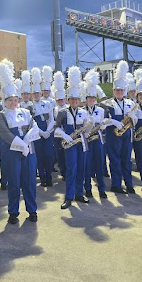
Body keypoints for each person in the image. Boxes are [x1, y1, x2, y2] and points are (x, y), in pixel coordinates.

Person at [0, 60, 39, 223]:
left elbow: (35, 127)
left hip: (29, 151)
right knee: (14, 182)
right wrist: (21, 145)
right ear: (4, 100)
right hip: (11, 153)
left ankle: (32, 210)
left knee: (30, 182)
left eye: (15, 99)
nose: (13, 102)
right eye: (10, 100)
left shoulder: (25, 112)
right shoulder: (0, 116)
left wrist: (26, 142)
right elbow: (6, 135)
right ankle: (13, 212)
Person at [54, 66, 91, 209]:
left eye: (76, 99)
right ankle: (68, 197)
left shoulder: (84, 112)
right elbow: (56, 128)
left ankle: (79, 194)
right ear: (68, 99)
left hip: (82, 144)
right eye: (72, 99)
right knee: (71, 169)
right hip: (69, 144)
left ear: (79, 99)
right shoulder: (62, 112)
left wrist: (88, 129)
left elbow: (87, 128)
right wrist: (64, 135)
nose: (74, 101)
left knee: (82, 168)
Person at [100, 61, 138, 194]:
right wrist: (114, 122)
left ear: (124, 91)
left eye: (121, 90)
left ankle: (129, 184)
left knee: (126, 160)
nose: (119, 92)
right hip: (113, 135)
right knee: (114, 160)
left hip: (127, 135)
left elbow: (136, 119)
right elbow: (102, 121)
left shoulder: (130, 103)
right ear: (113, 91)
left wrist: (133, 117)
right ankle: (116, 184)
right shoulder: (106, 103)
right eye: (117, 90)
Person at [27, 67, 55, 187]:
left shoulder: (48, 103)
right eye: (34, 93)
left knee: (49, 155)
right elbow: (31, 122)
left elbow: (51, 118)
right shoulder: (29, 107)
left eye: (38, 93)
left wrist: (48, 130)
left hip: (47, 133)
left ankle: (49, 177)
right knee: (39, 156)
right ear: (32, 94)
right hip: (37, 134)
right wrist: (41, 132)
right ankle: (42, 177)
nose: (37, 95)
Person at [83, 69, 108, 199]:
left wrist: (103, 125)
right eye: (89, 98)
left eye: (93, 98)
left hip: (98, 139)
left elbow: (103, 124)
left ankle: (102, 189)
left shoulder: (100, 110)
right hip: (87, 140)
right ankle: (87, 189)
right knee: (87, 166)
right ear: (86, 99)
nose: (91, 99)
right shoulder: (82, 111)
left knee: (99, 164)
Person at [52, 72, 68, 181]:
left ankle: (68, 171)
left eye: (62, 99)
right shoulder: (54, 109)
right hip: (57, 135)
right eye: (58, 100)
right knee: (60, 154)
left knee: (68, 154)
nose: (60, 101)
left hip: (67, 134)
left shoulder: (68, 108)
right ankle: (63, 171)